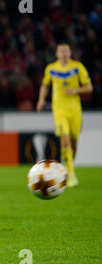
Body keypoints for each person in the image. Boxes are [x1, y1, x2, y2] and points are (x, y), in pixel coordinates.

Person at [36, 43, 93, 187]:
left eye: (66, 51)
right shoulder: (51, 69)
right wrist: (41, 99)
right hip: (59, 109)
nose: (64, 53)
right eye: (61, 51)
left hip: (75, 110)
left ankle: (66, 168)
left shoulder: (77, 67)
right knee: (65, 140)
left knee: (73, 143)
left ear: (70, 53)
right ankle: (71, 175)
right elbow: (45, 85)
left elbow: (89, 87)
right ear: (57, 54)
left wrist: (76, 91)